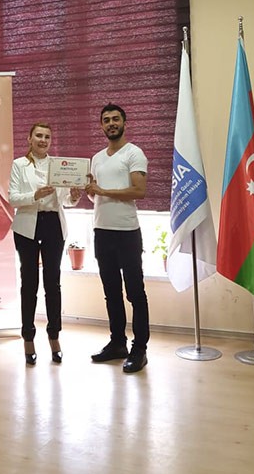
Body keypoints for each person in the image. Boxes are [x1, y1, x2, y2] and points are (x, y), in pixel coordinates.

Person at [9, 122, 81, 365]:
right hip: (27, 226)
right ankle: (28, 337)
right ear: (29, 139)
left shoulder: (59, 166)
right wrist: (35, 195)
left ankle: (54, 337)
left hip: (53, 225)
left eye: (47, 137)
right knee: (29, 283)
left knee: (53, 283)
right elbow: (12, 198)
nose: (43, 140)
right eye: (38, 135)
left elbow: (65, 201)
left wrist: (73, 197)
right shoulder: (19, 164)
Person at [85, 104, 150, 373]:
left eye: (115, 119)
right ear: (101, 125)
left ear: (124, 122)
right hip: (102, 231)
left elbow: (139, 191)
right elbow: (96, 195)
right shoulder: (97, 158)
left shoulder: (134, 153)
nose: (111, 123)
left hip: (127, 233)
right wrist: (90, 191)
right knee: (111, 292)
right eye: (106, 120)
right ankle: (117, 343)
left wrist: (102, 190)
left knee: (135, 292)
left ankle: (140, 349)